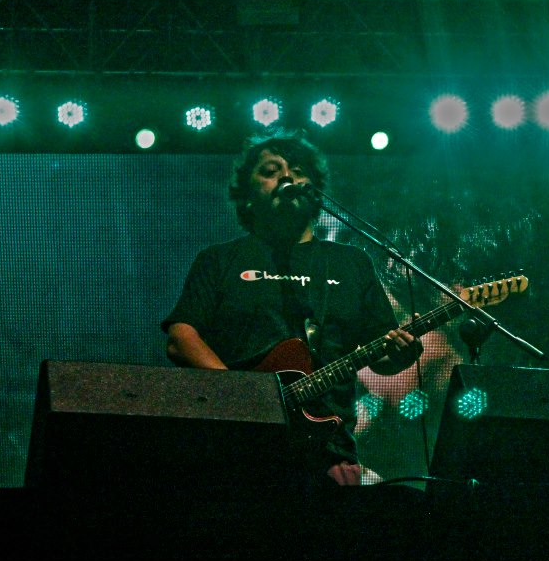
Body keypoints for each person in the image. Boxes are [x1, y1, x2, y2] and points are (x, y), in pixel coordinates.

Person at [161, 129, 422, 487]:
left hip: (328, 452)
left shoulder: (351, 263)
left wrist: (403, 353)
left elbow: (383, 356)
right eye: (270, 171)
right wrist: (246, 398)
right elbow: (181, 338)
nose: (287, 176)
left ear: (313, 192)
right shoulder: (219, 260)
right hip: (236, 448)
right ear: (246, 196)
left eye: (298, 171)